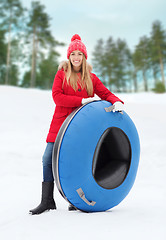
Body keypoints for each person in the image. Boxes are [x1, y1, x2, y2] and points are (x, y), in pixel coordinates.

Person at [29, 34, 124, 215]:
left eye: (80, 54)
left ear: (84, 57)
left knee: (77, 161)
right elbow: (57, 97)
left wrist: (116, 101)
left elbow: (105, 93)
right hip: (60, 124)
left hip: (82, 129)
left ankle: (75, 200)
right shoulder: (61, 75)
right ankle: (47, 200)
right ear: (69, 56)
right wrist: (80, 101)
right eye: (73, 54)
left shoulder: (92, 78)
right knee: (47, 158)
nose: (76, 57)